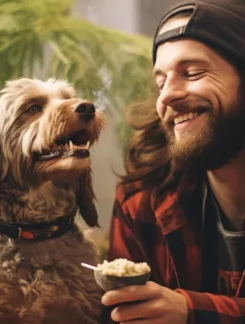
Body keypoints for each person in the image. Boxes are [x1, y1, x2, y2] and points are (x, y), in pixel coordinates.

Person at [101, 0, 245, 323]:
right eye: (160, 82)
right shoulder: (141, 202)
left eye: (191, 72)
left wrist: (190, 313)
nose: (165, 97)